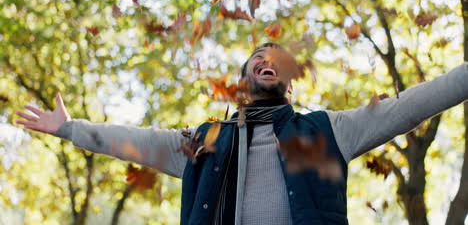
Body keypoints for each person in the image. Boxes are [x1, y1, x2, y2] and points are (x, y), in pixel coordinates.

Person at [16, 42, 468, 225]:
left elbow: (410, 106)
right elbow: (136, 140)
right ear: (244, 78)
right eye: (257, 59)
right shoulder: (208, 140)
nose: (267, 61)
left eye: (276, 60)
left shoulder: (328, 130)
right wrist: (70, 128)